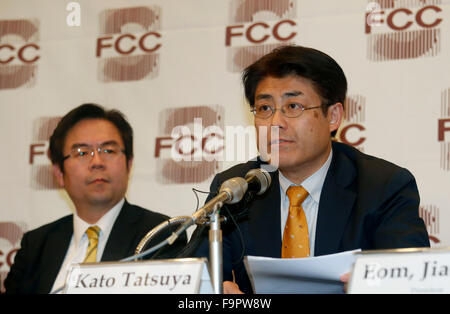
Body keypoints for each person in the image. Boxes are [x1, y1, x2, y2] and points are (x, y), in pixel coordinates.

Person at [191, 45, 430, 294]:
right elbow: (198, 274)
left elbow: (410, 283)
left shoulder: (383, 186)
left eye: (294, 106)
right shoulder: (235, 189)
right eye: (264, 108)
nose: (275, 123)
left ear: (334, 116)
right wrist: (212, 290)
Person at [4, 103, 186, 294]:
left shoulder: (159, 234)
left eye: (108, 151)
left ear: (129, 164)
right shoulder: (36, 246)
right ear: (59, 172)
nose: (97, 162)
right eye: (82, 153)